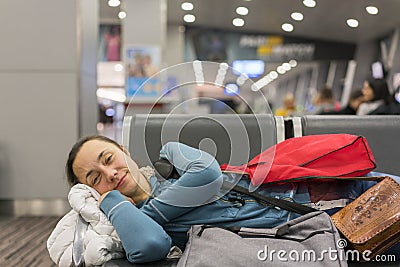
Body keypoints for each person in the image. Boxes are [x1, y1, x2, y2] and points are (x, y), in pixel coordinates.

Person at [64, 135, 397, 264]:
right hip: (323, 222)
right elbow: (205, 173)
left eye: (108, 158)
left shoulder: (165, 181)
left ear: (123, 150)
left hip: (322, 187)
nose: (109, 173)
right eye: (95, 178)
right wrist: (107, 202)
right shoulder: (151, 214)